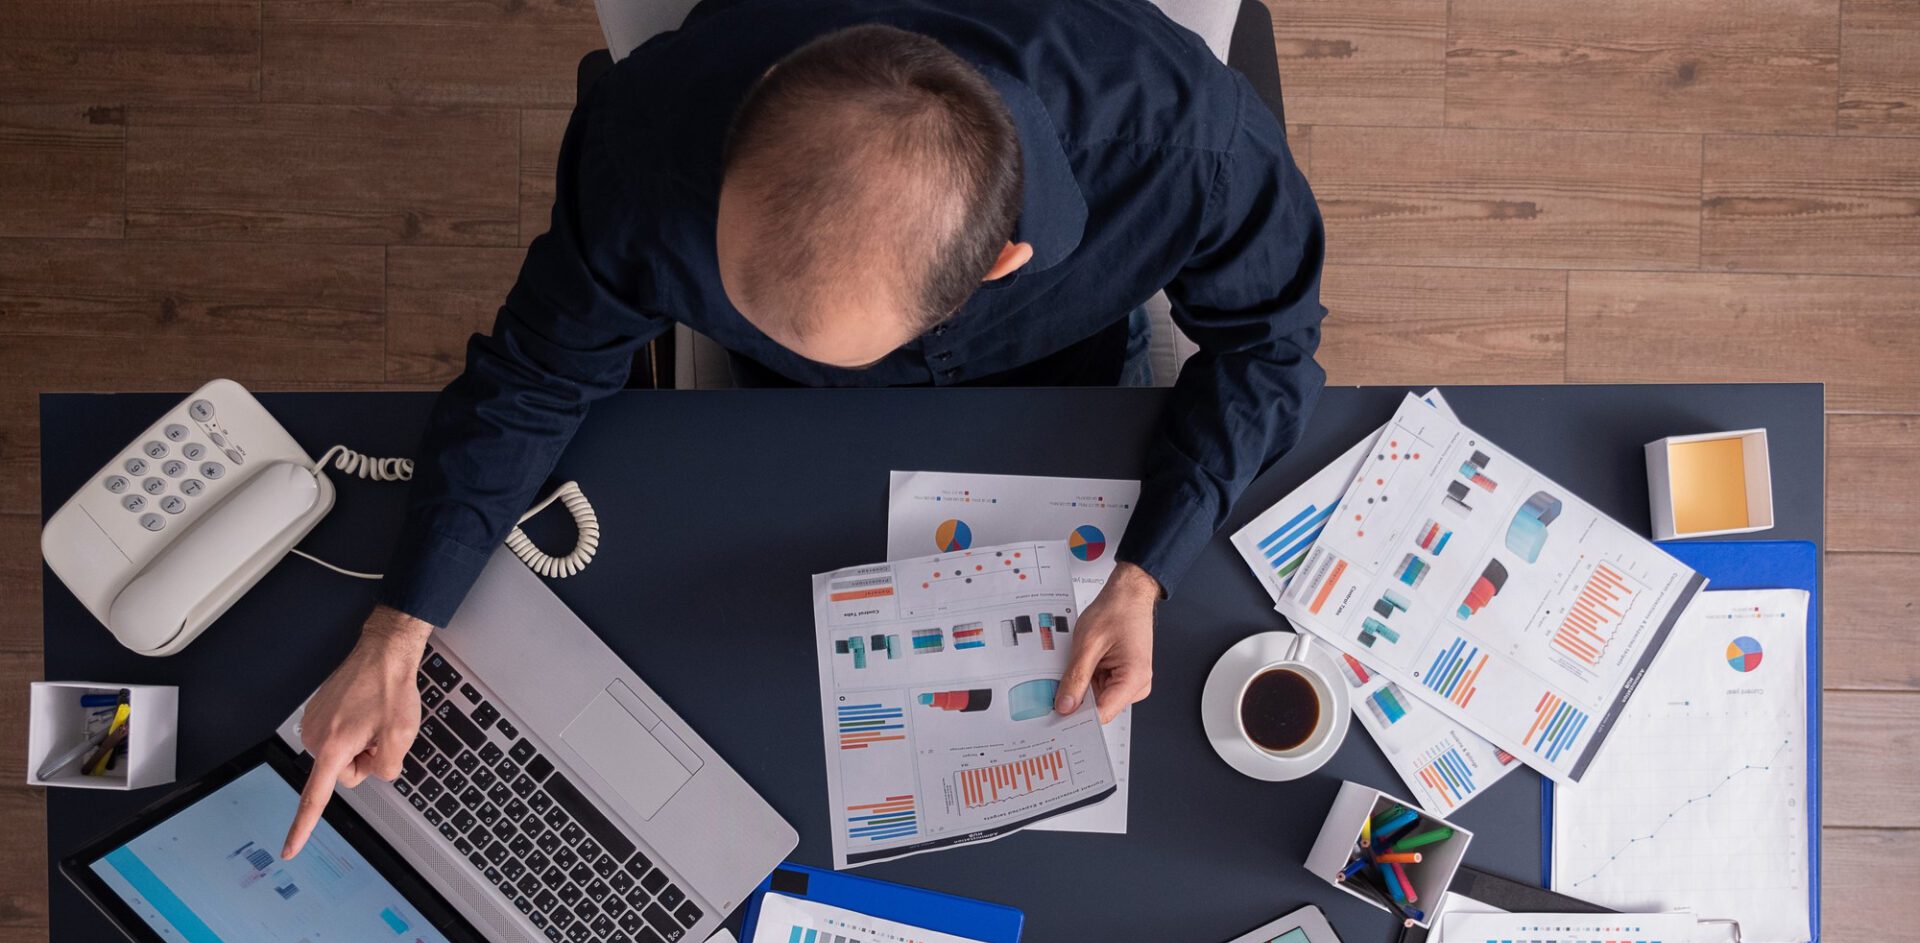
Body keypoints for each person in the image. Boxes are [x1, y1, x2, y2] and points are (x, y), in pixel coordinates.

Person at [283, 0, 1324, 858]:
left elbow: (1273, 350)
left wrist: (1147, 571)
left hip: (1068, 389)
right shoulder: (651, 140)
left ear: (1001, 262)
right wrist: (399, 626)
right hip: (782, 426)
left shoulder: (1186, 145)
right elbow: (539, 371)